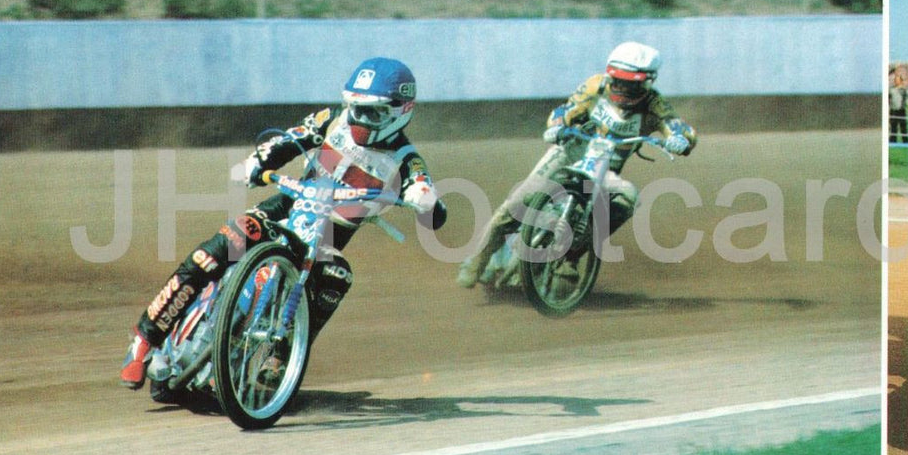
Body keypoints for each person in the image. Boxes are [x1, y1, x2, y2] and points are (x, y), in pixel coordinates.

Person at [121, 57, 448, 389]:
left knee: (336, 276)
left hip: (328, 238)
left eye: (371, 112)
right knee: (217, 249)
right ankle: (144, 341)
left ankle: (280, 359)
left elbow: (433, 206)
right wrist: (258, 161)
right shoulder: (333, 120)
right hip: (285, 207)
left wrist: (425, 199)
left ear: (401, 110)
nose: (359, 119)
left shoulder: (406, 159)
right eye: (354, 107)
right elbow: (291, 138)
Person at [455, 42, 697, 289]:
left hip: (605, 169)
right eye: (618, 81)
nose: (622, 89)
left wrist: (679, 139)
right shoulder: (595, 86)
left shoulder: (655, 105)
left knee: (628, 197)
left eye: (631, 84)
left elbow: (677, 126)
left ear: (647, 83)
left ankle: (571, 256)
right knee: (517, 204)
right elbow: (566, 109)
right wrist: (558, 125)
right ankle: (477, 260)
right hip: (569, 152)